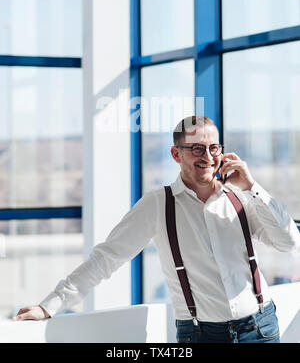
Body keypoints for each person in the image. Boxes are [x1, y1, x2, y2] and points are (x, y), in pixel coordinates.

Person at [13, 115, 300, 343]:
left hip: (260, 328)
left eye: (214, 148)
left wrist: (252, 187)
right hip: (201, 335)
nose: (208, 157)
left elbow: (288, 241)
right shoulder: (157, 205)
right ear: (176, 154)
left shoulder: (243, 198)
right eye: (197, 149)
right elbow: (106, 258)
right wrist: (49, 305)